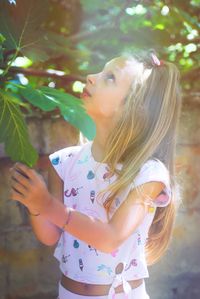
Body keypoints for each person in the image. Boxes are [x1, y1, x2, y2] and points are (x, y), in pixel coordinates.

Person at [9, 49, 182, 299]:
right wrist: (35, 205)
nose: (91, 76)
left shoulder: (148, 175)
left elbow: (110, 238)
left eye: (109, 77)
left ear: (134, 109)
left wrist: (47, 204)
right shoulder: (65, 162)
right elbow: (49, 236)